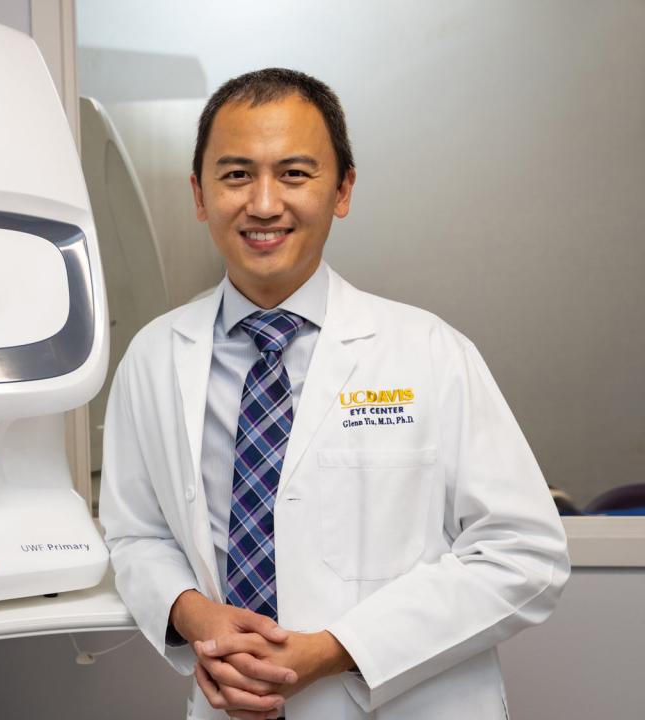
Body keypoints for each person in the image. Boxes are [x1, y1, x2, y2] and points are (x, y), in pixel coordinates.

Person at [98, 68, 569, 720]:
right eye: (236, 175)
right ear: (199, 194)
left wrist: (335, 648)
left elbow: (525, 553)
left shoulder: (430, 352)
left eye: (294, 174)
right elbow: (134, 535)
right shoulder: (152, 357)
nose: (264, 204)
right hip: (230, 705)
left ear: (343, 189)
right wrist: (191, 611)